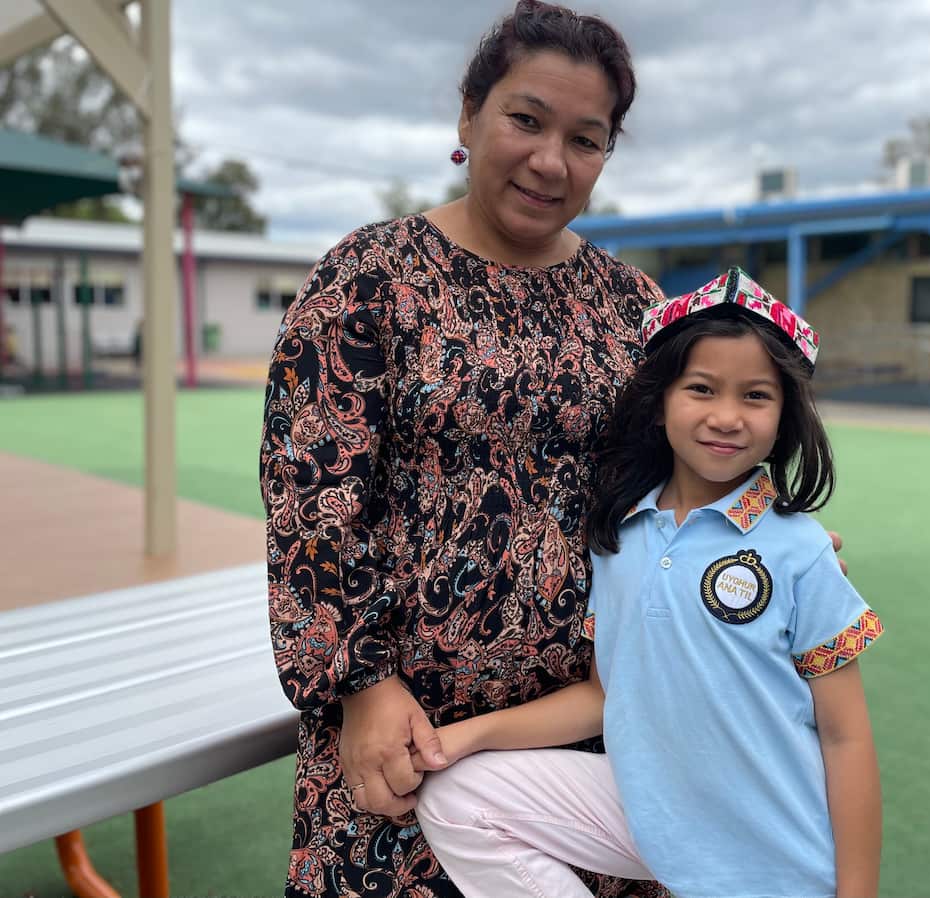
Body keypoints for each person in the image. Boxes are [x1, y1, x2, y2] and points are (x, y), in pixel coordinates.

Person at [260, 2, 671, 895]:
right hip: (405, 733)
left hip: (592, 737)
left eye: (587, 138)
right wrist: (361, 686)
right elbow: (312, 502)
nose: (551, 160)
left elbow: (679, 478)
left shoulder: (632, 305)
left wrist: (757, 532)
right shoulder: (367, 279)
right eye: (525, 119)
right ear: (469, 115)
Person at [415, 268, 885, 898]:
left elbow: (846, 735)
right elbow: (604, 695)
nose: (726, 417)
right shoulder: (622, 534)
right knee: (457, 797)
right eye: (701, 388)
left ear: (785, 416)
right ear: (660, 401)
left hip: (769, 861)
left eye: (755, 396)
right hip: (647, 812)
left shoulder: (800, 549)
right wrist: (465, 737)